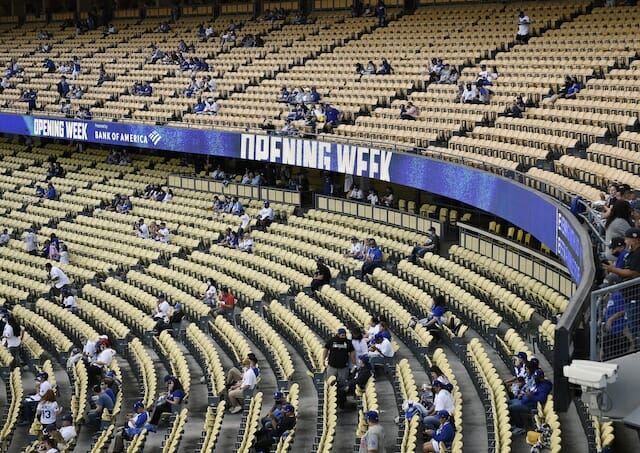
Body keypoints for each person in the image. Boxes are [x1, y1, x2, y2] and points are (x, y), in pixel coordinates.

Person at [508, 368, 552, 435]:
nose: (535, 379)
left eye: (536, 378)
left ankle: (520, 427)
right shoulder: (537, 383)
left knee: (511, 408)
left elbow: (542, 399)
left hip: (530, 405)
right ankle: (513, 424)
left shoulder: (544, 386)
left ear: (541, 378)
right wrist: (523, 394)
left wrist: (531, 396)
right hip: (524, 400)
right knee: (508, 403)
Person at [602, 290, 629, 359]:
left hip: (617, 331)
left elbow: (622, 311)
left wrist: (610, 320)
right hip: (610, 332)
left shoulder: (617, 295)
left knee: (616, 353)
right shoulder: (610, 296)